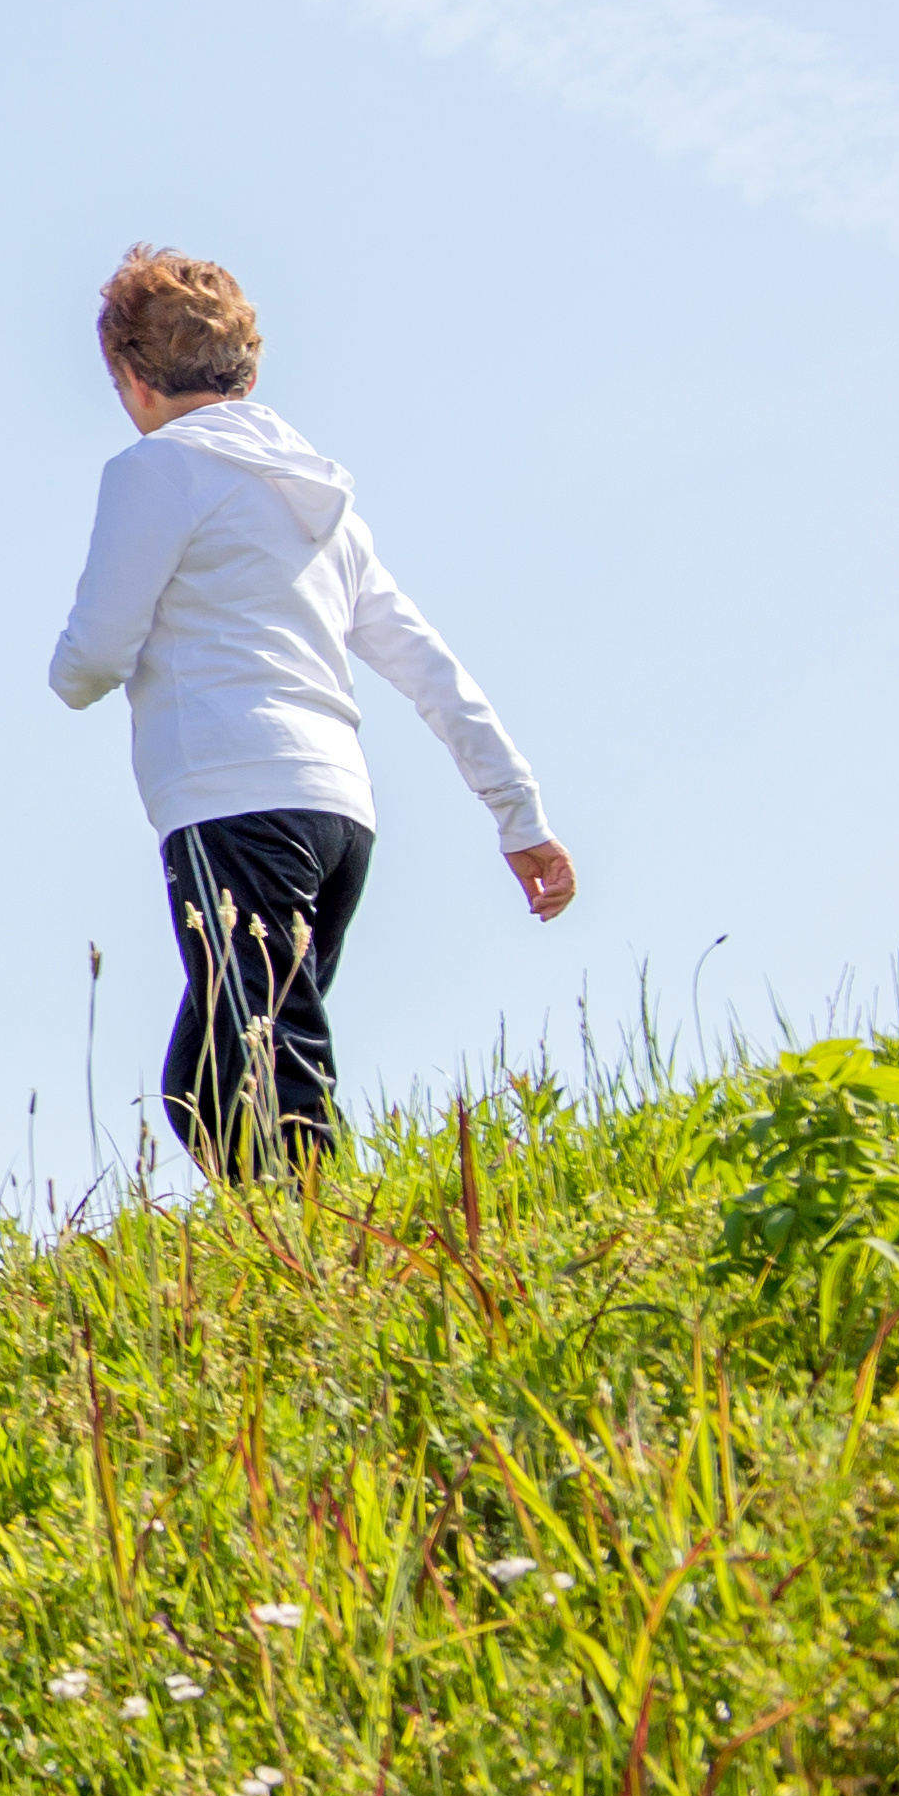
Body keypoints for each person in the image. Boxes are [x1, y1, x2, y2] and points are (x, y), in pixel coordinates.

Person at [49, 245, 572, 1176]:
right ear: (248, 370)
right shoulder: (324, 503)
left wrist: (69, 677)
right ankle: (276, 1260)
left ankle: (336, 1255)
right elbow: (427, 665)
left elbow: (94, 654)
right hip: (338, 818)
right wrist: (517, 813)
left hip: (230, 801)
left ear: (129, 378)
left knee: (267, 1066)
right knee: (205, 1086)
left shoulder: (157, 470)